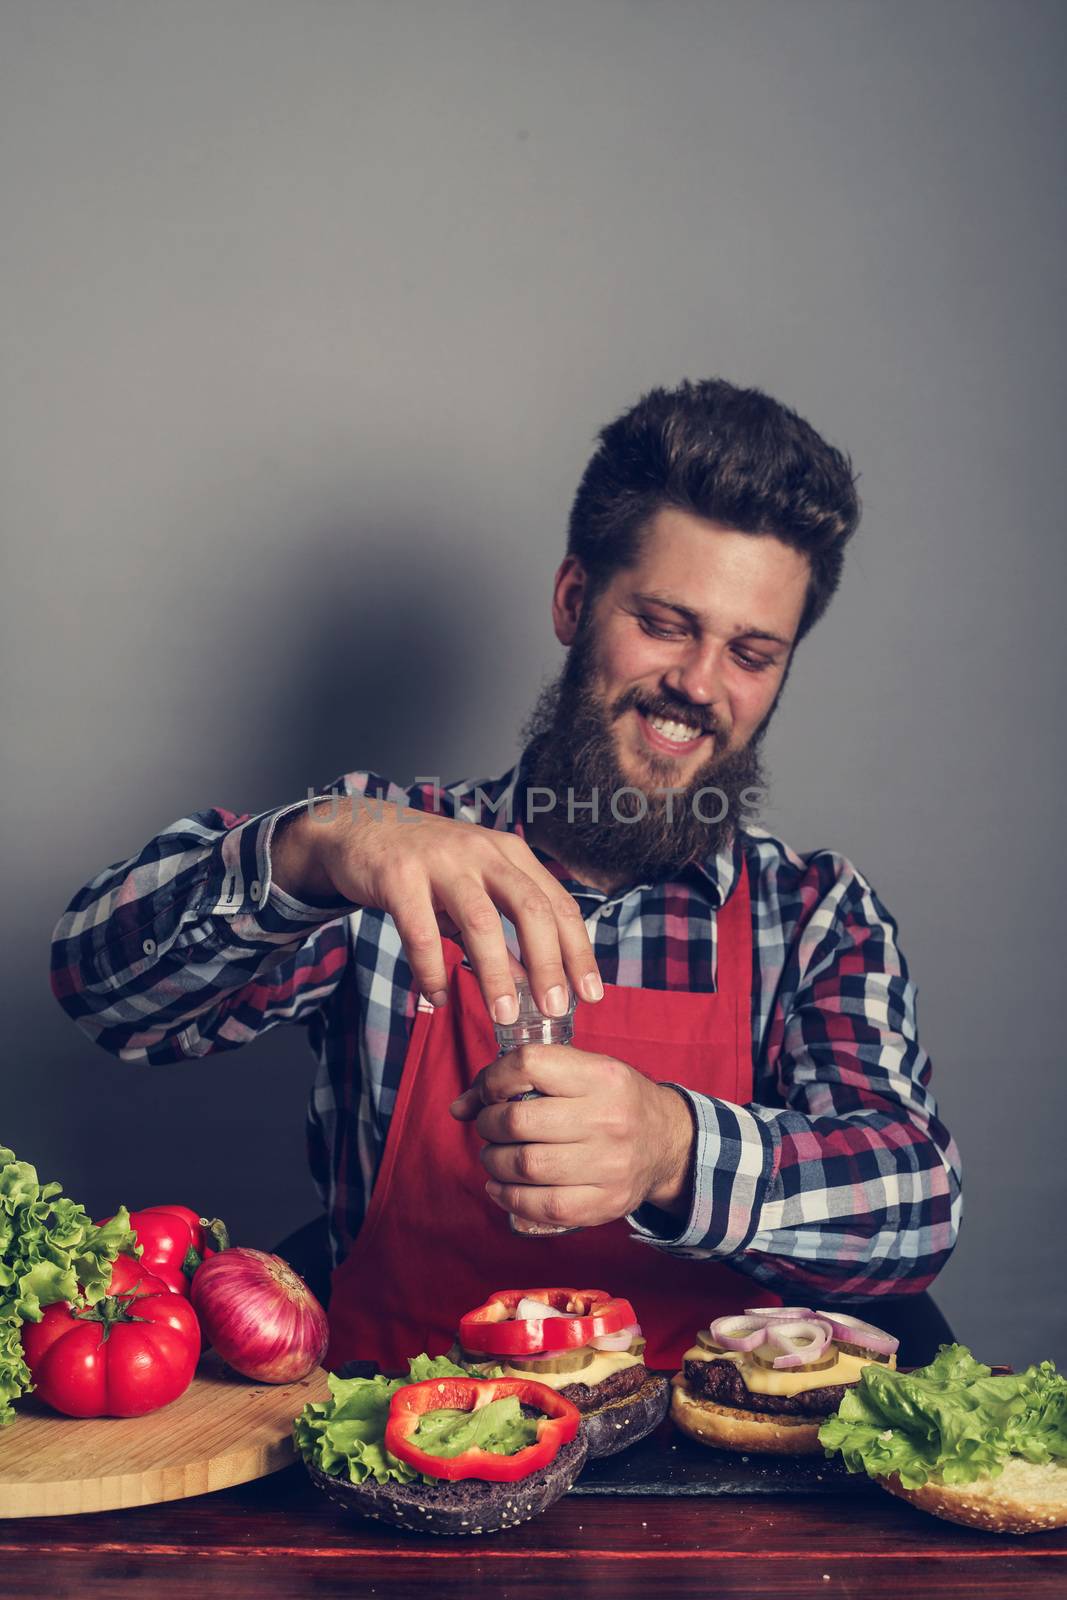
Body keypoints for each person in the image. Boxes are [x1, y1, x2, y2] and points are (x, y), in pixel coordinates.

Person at [50, 378, 962, 1372]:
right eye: (663, 623)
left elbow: (912, 1210)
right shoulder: (377, 850)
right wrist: (308, 847)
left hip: (707, 1485)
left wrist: (669, 1147)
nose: (698, 685)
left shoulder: (815, 917)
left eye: (750, 652)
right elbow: (103, 992)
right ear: (575, 600)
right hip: (396, 1465)